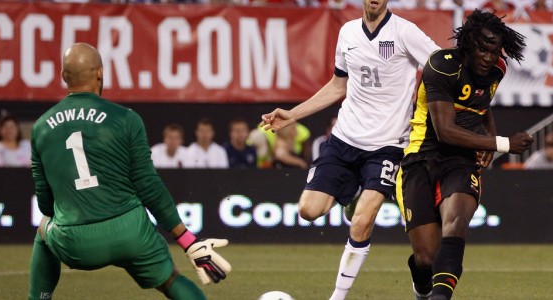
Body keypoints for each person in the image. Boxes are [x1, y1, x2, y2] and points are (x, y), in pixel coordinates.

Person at [260, 0, 440, 298]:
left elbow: (441, 66)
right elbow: (337, 85)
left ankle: (337, 296)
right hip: (344, 140)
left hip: (387, 147)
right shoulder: (347, 33)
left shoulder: (405, 32)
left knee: (360, 223)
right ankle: (354, 195)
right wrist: (293, 114)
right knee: (308, 210)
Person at [28, 43, 231, 300]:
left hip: (75, 240)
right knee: (171, 281)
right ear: (100, 73)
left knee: (44, 228)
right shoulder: (126, 118)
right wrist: (187, 240)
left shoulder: (40, 127)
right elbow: (148, 185)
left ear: (63, 76)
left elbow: (45, 202)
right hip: (130, 232)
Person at [396, 10, 533, 300]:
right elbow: (444, 130)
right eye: (482, 49)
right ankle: (423, 288)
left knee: (456, 223)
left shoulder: (497, 69)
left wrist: (485, 141)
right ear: (468, 43)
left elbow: (482, 104)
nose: (487, 56)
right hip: (421, 157)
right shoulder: (441, 66)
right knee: (427, 260)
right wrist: (501, 143)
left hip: (462, 160)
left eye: (494, 50)